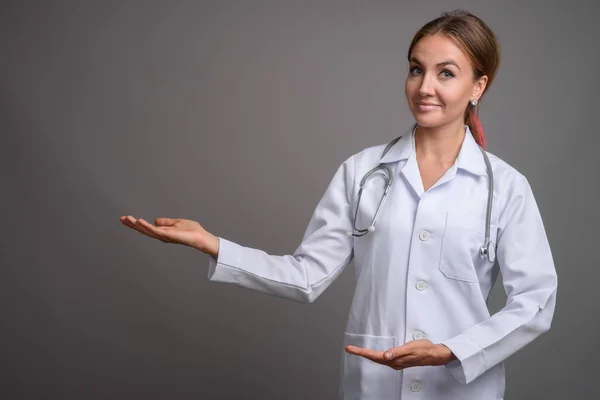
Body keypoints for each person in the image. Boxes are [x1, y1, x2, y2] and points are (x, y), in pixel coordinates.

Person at [120, 9, 557, 400]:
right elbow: (307, 276)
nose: (425, 87)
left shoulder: (505, 187)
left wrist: (449, 351)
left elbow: (536, 300)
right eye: (415, 69)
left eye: (446, 73)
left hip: (463, 389)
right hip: (374, 384)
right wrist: (212, 243)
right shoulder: (361, 172)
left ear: (478, 85)